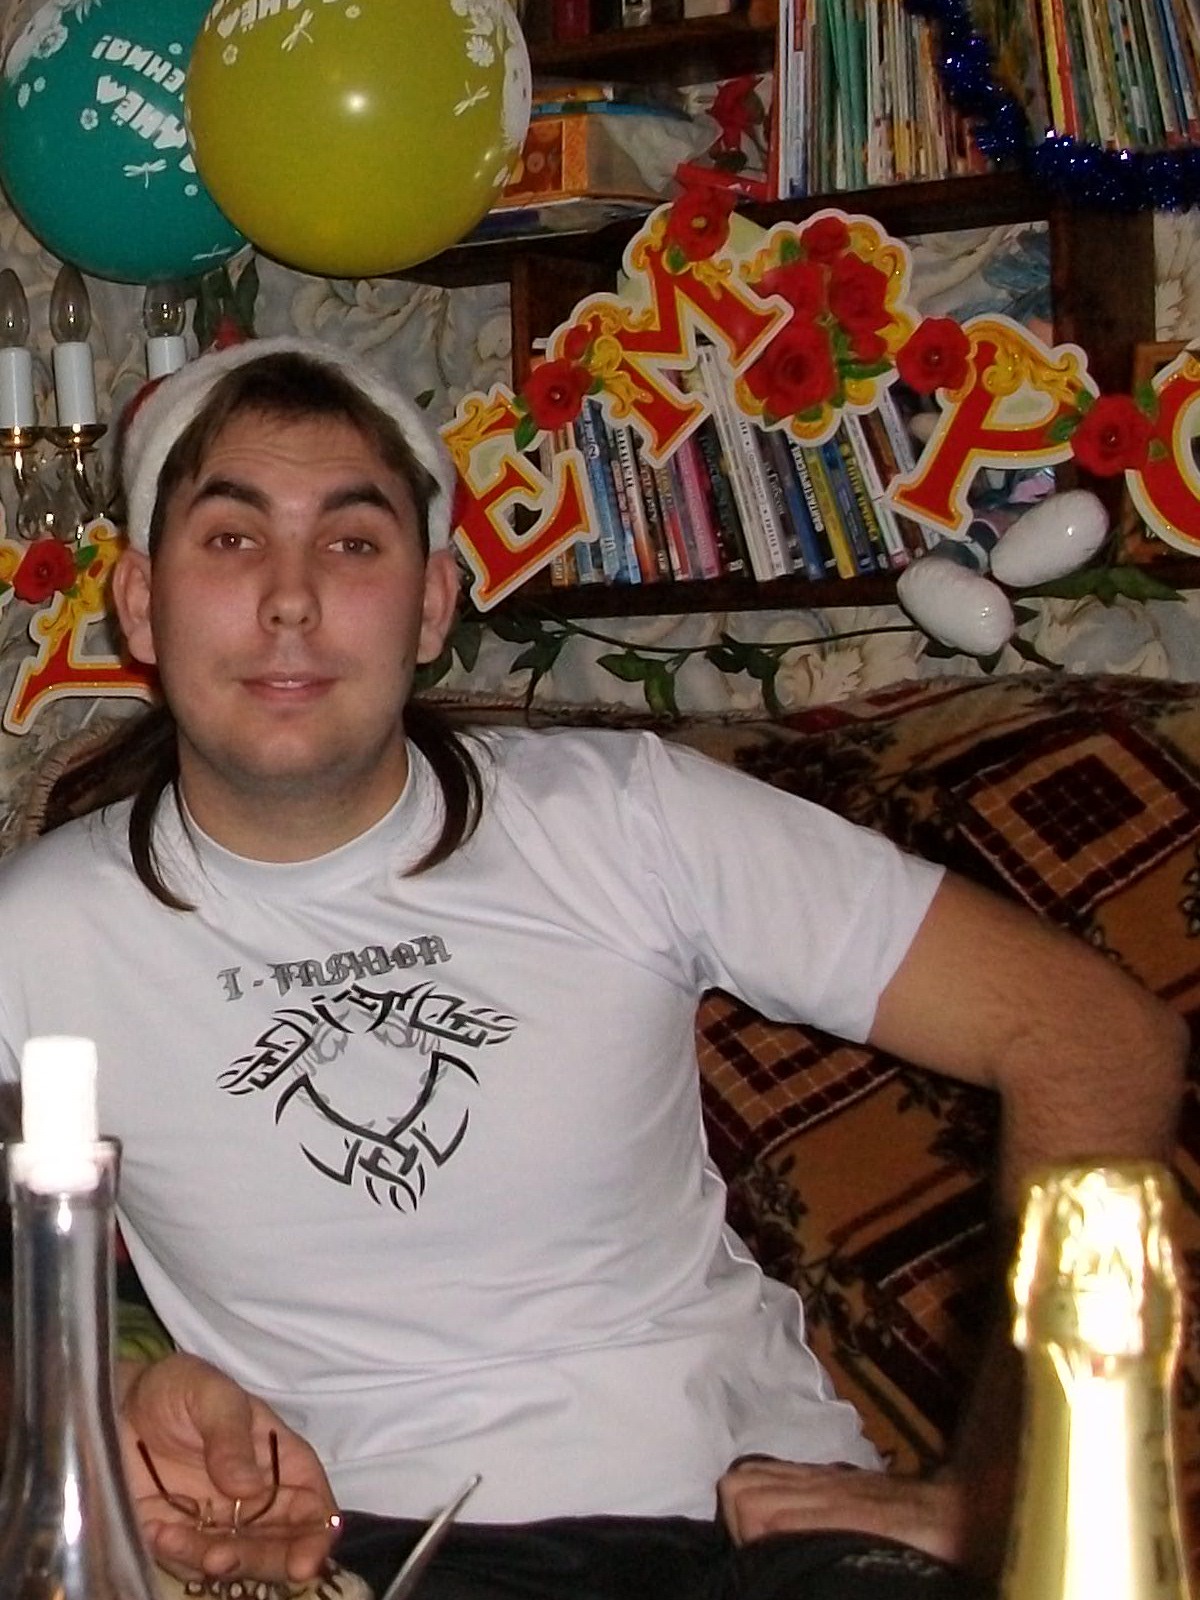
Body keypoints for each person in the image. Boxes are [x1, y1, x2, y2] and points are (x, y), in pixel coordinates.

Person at [0, 336, 1184, 1600]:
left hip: (735, 1527)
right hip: (353, 1551)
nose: (291, 600)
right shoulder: (43, 931)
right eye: (233, 539)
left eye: (352, 542)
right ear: (141, 603)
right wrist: (101, 1391)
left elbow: (1091, 1033)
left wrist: (993, 1489)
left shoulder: (630, 817)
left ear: (433, 604)